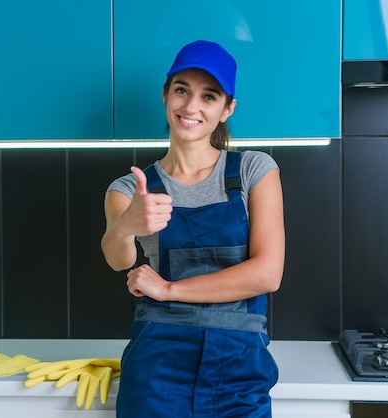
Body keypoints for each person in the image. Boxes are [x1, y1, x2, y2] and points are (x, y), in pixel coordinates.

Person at [101, 40, 285, 417]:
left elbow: (267, 273)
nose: (191, 107)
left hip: (239, 367)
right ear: (166, 94)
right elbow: (119, 261)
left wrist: (169, 289)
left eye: (209, 96)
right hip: (156, 369)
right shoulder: (130, 188)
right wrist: (125, 227)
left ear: (227, 108)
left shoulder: (254, 171)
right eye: (182, 90)